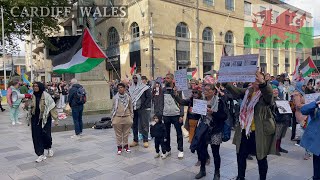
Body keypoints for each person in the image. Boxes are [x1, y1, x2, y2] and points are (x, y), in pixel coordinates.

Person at [224, 71, 276, 180]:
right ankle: (240, 177)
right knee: (240, 155)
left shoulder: (265, 92)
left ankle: (262, 178)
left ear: (263, 81)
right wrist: (225, 83)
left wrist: (262, 83)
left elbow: (269, 96)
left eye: (258, 79)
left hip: (259, 132)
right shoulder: (249, 90)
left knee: (261, 157)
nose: (255, 81)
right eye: (254, 79)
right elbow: (236, 91)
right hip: (245, 130)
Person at [173, 85, 208, 166]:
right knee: (195, 141)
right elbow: (181, 102)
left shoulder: (203, 101)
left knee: (201, 142)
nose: (194, 94)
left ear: (199, 93)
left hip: (200, 124)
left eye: (196, 92)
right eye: (193, 92)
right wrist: (175, 95)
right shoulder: (190, 100)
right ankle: (202, 157)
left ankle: (202, 158)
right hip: (191, 124)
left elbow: (204, 113)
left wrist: (196, 111)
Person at [30, 82, 58, 163]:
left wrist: (55, 119)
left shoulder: (47, 96)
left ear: (40, 87)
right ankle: (40, 154)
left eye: (36, 86)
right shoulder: (32, 96)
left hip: (45, 119)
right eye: (34, 86)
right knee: (36, 137)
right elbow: (29, 107)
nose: (35, 87)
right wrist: (26, 105)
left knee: (46, 135)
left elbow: (52, 107)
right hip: (35, 119)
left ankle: (49, 147)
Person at [161, 73, 184, 159]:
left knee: (179, 133)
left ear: (172, 79)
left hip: (176, 115)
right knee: (166, 134)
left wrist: (181, 115)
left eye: (168, 78)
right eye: (165, 78)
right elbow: (161, 102)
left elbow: (181, 102)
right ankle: (167, 150)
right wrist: (161, 114)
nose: (166, 79)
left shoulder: (178, 89)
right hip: (166, 114)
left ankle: (180, 150)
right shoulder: (163, 90)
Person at [129, 74, 152, 148]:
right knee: (134, 125)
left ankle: (145, 140)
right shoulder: (131, 88)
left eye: (136, 78)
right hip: (134, 109)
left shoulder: (145, 88)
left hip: (142, 109)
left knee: (144, 125)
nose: (135, 79)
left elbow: (149, 97)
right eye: (133, 78)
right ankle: (135, 140)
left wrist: (144, 105)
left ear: (139, 79)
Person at [300, 97, 320, 180]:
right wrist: (315, 104)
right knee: (317, 165)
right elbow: (304, 110)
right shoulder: (318, 100)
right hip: (317, 141)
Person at [111, 83, 133, 155]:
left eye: (121, 87)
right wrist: (113, 119)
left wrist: (131, 117)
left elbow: (131, 108)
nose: (120, 89)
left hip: (127, 117)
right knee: (118, 134)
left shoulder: (128, 97)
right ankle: (119, 147)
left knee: (126, 134)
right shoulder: (115, 98)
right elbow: (113, 108)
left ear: (124, 88)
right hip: (118, 117)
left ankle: (126, 146)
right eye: (118, 88)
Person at [270, 85, 291, 155]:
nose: (276, 92)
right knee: (277, 135)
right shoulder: (270, 99)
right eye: (274, 90)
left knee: (281, 134)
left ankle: (279, 147)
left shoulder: (280, 98)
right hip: (277, 120)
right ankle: (275, 149)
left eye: (276, 90)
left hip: (283, 119)